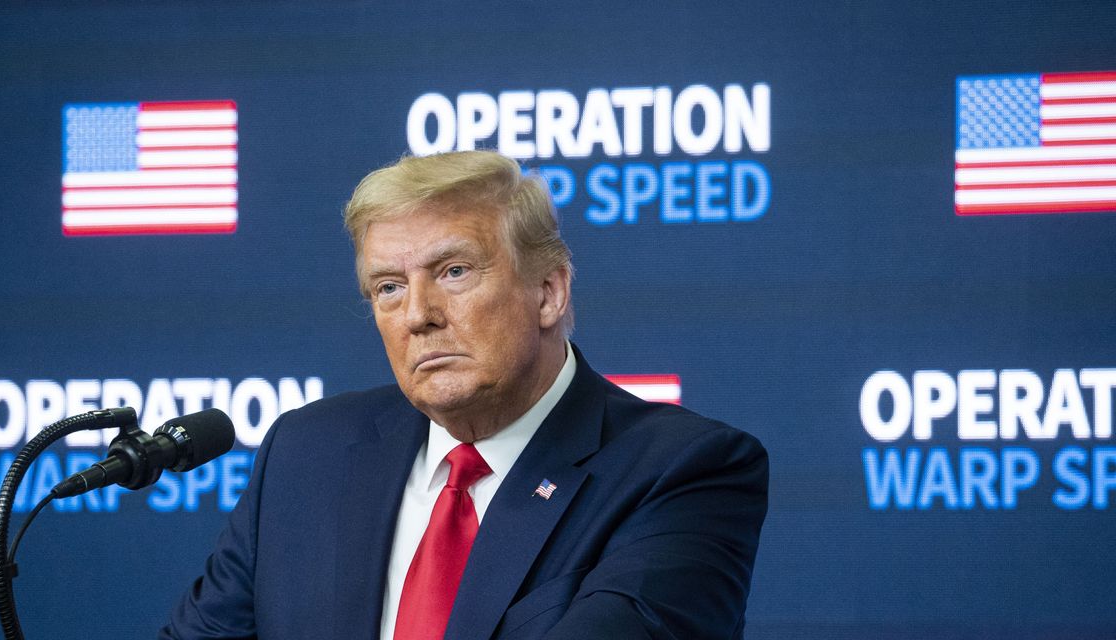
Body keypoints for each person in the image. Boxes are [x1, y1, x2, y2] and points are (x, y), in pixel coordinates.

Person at [160, 150, 768, 640]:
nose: (417, 314)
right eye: (389, 287)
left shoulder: (684, 470)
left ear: (548, 292)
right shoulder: (305, 454)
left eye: (454, 272)